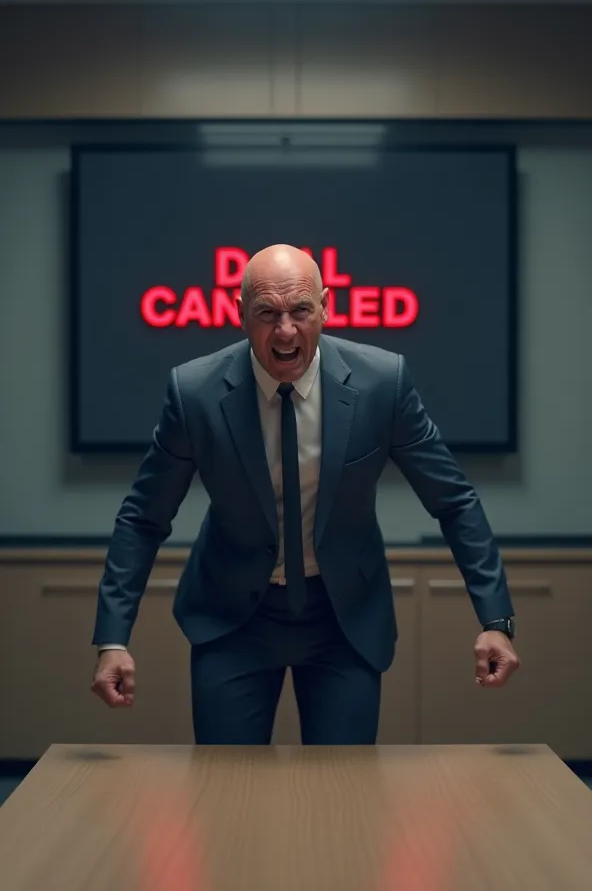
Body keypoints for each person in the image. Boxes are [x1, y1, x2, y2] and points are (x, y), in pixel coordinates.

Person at [91, 244, 520, 744]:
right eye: (267, 313)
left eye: (300, 310)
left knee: (343, 797)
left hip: (343, 618)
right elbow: (144, 517)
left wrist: (496, 619)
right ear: (240, 314)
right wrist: (112, 638)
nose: (286, 330)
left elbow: (454, 500)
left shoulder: (383, 383)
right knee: (228, 796)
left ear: (325, 306)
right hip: (232, 621)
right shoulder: (195, 394)